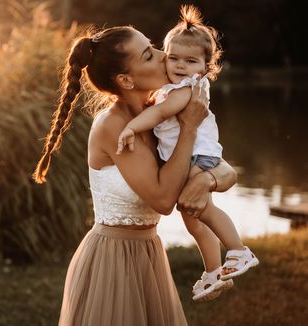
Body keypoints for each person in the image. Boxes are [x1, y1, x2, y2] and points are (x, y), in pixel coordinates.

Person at [33, 24, 236, 325]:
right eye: (148, 55)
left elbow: (226, 171)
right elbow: (164, 201)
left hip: (148, 254)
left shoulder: (157, 116)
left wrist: (206, 179)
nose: (162, 55)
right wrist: (190, 128)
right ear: (126, 80)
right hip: (112, 261)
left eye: (154, 47)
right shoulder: (113, 127)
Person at [116, 5, 259, 302]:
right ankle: (213, 272)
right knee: (194, 219)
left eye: (190, 60)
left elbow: (160, 114)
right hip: (193, 155)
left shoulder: (186, 90)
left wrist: (131, 127)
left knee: (202, 210)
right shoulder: (174, 87)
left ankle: (239, 250)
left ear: (206, 67)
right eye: (174, 58)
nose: (180, 66)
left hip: (197, 156)